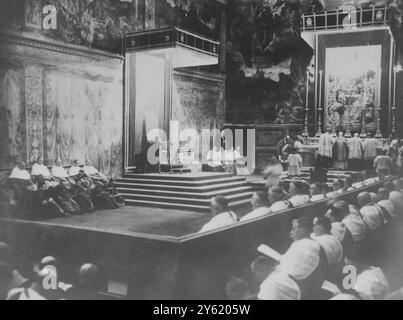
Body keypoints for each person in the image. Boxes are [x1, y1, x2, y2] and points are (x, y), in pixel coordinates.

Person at [278, 217, 327, 300]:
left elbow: (296, 273)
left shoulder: (309, 245)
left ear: (303, 230)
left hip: (309, 292)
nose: (290, 232)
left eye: (293, 229)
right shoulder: (301, 243)